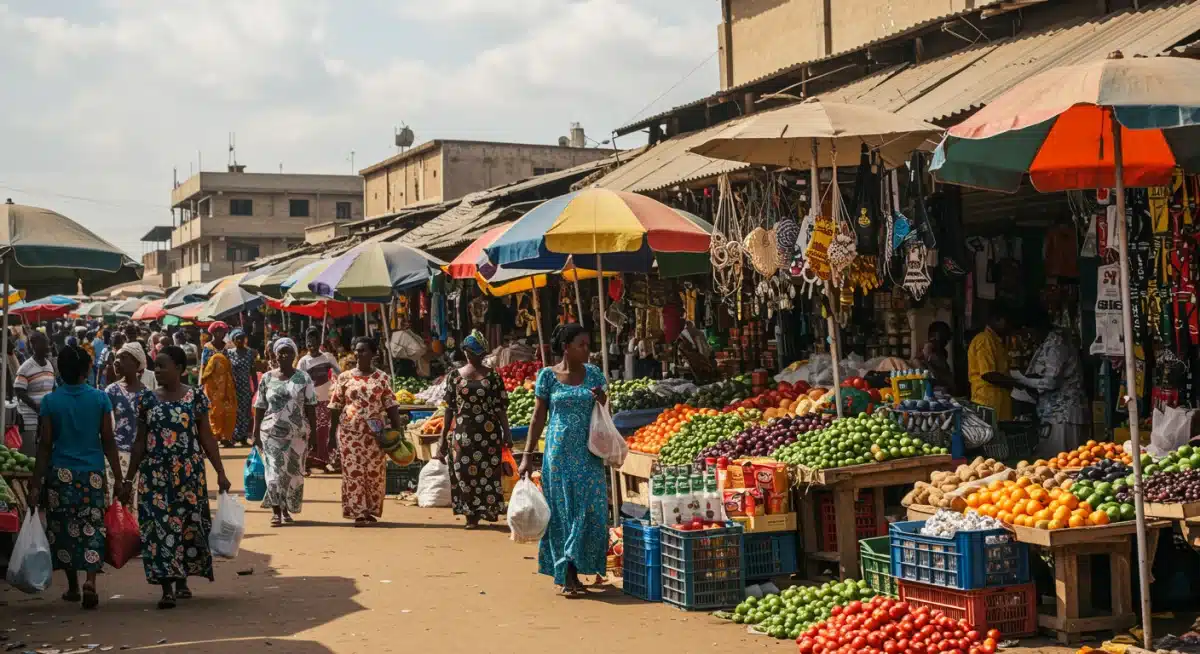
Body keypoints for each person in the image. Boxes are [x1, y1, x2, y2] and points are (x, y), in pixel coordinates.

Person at [123, 345, 231, 609]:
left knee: (186, 526)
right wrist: (128, 479)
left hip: (189, 476)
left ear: (180, 369)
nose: (157, 371)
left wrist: (221, 471)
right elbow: (139, 442)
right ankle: (167, 588)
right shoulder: (147, 400)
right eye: (155, 366)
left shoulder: (195, 397)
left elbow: (206, 436)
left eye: (162, 366)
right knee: (159, 529)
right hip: (155, 476)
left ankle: (182, 579)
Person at [27, 345, 122, 610]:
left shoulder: (50, 401)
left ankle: (72, 586)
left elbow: (45, 445)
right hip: (92, 472)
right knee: (92, 525)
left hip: (61, 473)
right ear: (87, 370)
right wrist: (119, 477)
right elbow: (108, 440)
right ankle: (91, 580)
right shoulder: (100, 398)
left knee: (63, 528)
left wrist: (36, 484)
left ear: (60, 371)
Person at [520, 323, 608, 596]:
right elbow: (538, 418)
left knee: (589, 509)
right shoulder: (547, 376)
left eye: (588, 344)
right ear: (567, 347)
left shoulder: (594, 374)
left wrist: (602, 399)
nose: (587, 350)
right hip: (558, 454)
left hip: (589, 453)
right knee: (562, 513)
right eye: (581, 344)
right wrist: (527, 455)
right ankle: (567, 573)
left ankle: (576, 568)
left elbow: (603, 410)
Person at [437, 330, 511, 529]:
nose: (471, 355)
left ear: (482, 353)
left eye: (475, 352)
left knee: (487, 472)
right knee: (463, 472)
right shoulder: (455, 377)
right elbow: (449, 409)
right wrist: (443, 438)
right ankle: (470, 514)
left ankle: (487, 510)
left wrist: (507, 432)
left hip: (489, 433)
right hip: (462, 432)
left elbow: (500, 407)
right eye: (468, 351)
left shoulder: (493, 377)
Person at [328, 337, 404, 527]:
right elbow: (336, 406)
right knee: (353, 473)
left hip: (376, 435)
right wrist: (331, 437)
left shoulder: (382, 378)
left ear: (372, 354)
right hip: (350, 433)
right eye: (356, 350)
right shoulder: (345, 377)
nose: (358, 353)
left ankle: (369, 510)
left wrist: (397, 429)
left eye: (362, 350)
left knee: (373, 473)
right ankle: (358, 512)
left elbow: (391, 405)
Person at [252, 338, 318, 526]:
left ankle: (286, 509)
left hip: (297, 434)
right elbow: (260, 406)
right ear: (275, 354)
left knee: (292, 474)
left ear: (294, 355)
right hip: (271, 433)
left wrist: (312, 434)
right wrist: (255, 433)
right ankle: (275, 511)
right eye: (281, 352)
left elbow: (311, 406)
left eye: (288, 352)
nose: (284, 355)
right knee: (273, 472)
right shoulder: (267, 378)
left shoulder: (303, 378)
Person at [1013, 309, 1087, 458]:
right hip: (1052, 413)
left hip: (1063, 414)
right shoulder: (1047, 342)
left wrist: (1020, 379)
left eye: (1028, 331)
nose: (1028, 336)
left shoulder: (1057, 344)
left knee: (1064, 460)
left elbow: (1050, 381)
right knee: (1051, 459)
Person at [103, 342, 153, 504]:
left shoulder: (147, 395)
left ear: (137, 364)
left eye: (123, 358)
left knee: (134, 505)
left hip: (138, 458)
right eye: (116, 357)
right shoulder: (111, 391)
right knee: (113, 504)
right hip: (114, 457)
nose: (117, 361)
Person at [297, 327, 341, 473]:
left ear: (319, 343)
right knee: (311, 432)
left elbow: (339, 374)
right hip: (311, 403)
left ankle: (325, 461)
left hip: (327, 402)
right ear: (306, 344)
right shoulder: (303, 361)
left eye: (315, 342)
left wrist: (335, 386)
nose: (312, 345)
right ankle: (308, 462)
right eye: (309, 342)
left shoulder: (328, 357)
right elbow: (298, 383)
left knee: (326, 432)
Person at [967, 313, 1017, 421]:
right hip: (987, 402)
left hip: (998, 402)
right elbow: (988, 374)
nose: (1009, 326)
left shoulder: (996, 341)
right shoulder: (984, 339)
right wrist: (1016, 383)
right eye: (1006, 321)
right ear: (996, 319)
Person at [14, 331, 56, 457]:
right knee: (30, 454)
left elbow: (52, 388)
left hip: (46, 418)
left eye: (47, 344)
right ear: (34, 345)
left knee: (44, 452)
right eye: (44, 344)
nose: (47, 347)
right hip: (30, 419)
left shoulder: (49, 365)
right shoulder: (26, 367)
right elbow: (19, 391)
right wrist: (36, 407)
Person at [199, 322, 237, 446]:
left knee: (228, 409)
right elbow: (204, 366)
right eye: (217, 332)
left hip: (227, 383)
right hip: (212, 384)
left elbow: (232, 366)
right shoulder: (207, 347)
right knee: (214, 410)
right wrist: (202, 382)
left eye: (222, 332)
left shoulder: (229, 347)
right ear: (213, 333)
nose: (220, 334)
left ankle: (226, 437)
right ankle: (215, 435)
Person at [227, 328, 257, 447]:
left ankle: (243, 437)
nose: (239, 340)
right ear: (233, 340)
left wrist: (255, 386)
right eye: (237, 338)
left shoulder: (250, 353)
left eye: (241, 338)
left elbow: (253, 371)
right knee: (234, 411)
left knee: (245, 412)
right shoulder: (229, 353)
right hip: (232, 386)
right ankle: (233, 436)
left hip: (245, 386)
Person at [918, 321, 956, 395]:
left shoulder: (941, 351)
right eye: (945, 337)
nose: (947, 341)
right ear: (937, 336)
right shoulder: (928, 349)